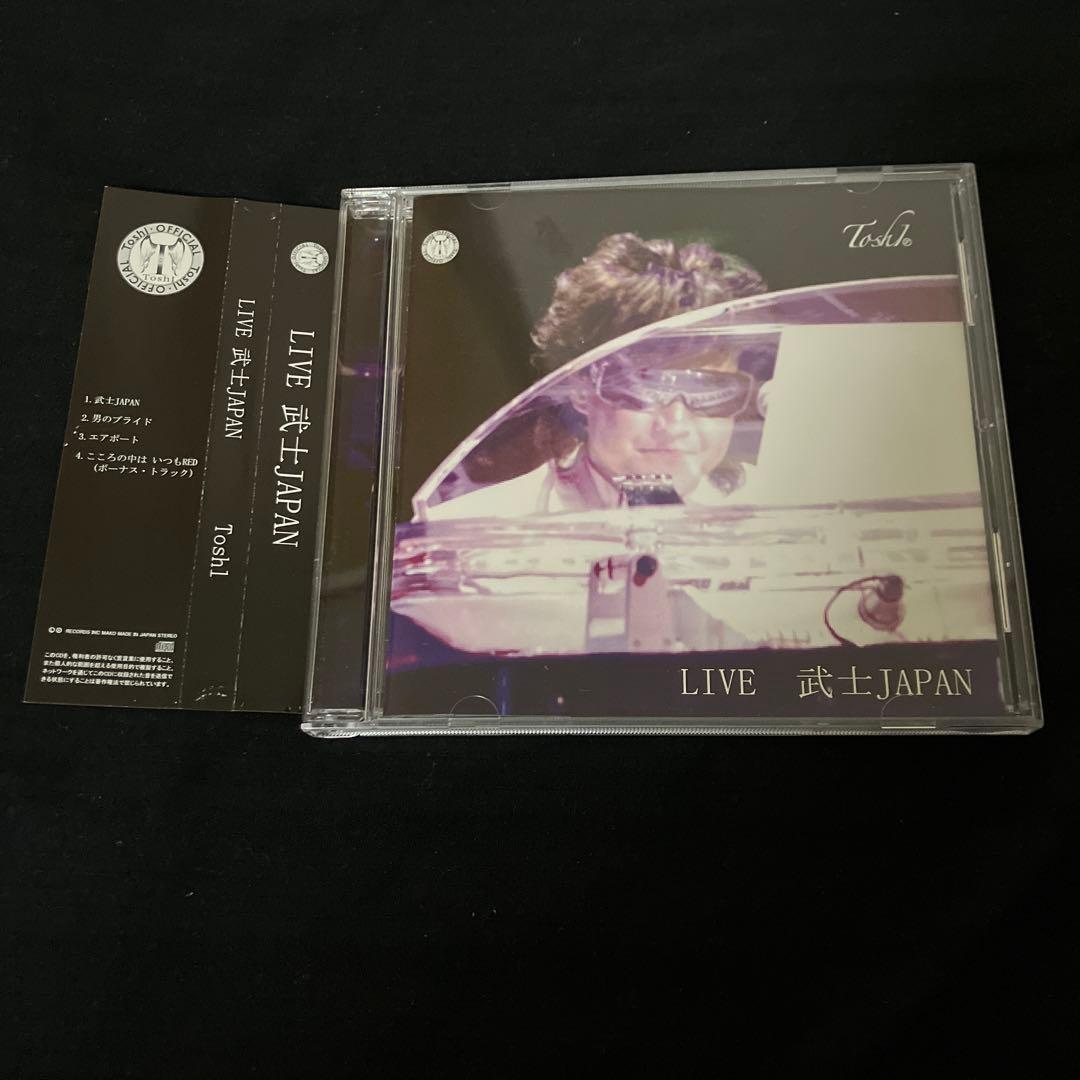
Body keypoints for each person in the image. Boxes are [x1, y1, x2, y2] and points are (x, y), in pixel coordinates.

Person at [424, 232, 769, 520]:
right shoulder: (469, 531)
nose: (677, 424)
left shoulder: (779, 515)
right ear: (581, 387)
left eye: (711, 390)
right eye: (647, 387)